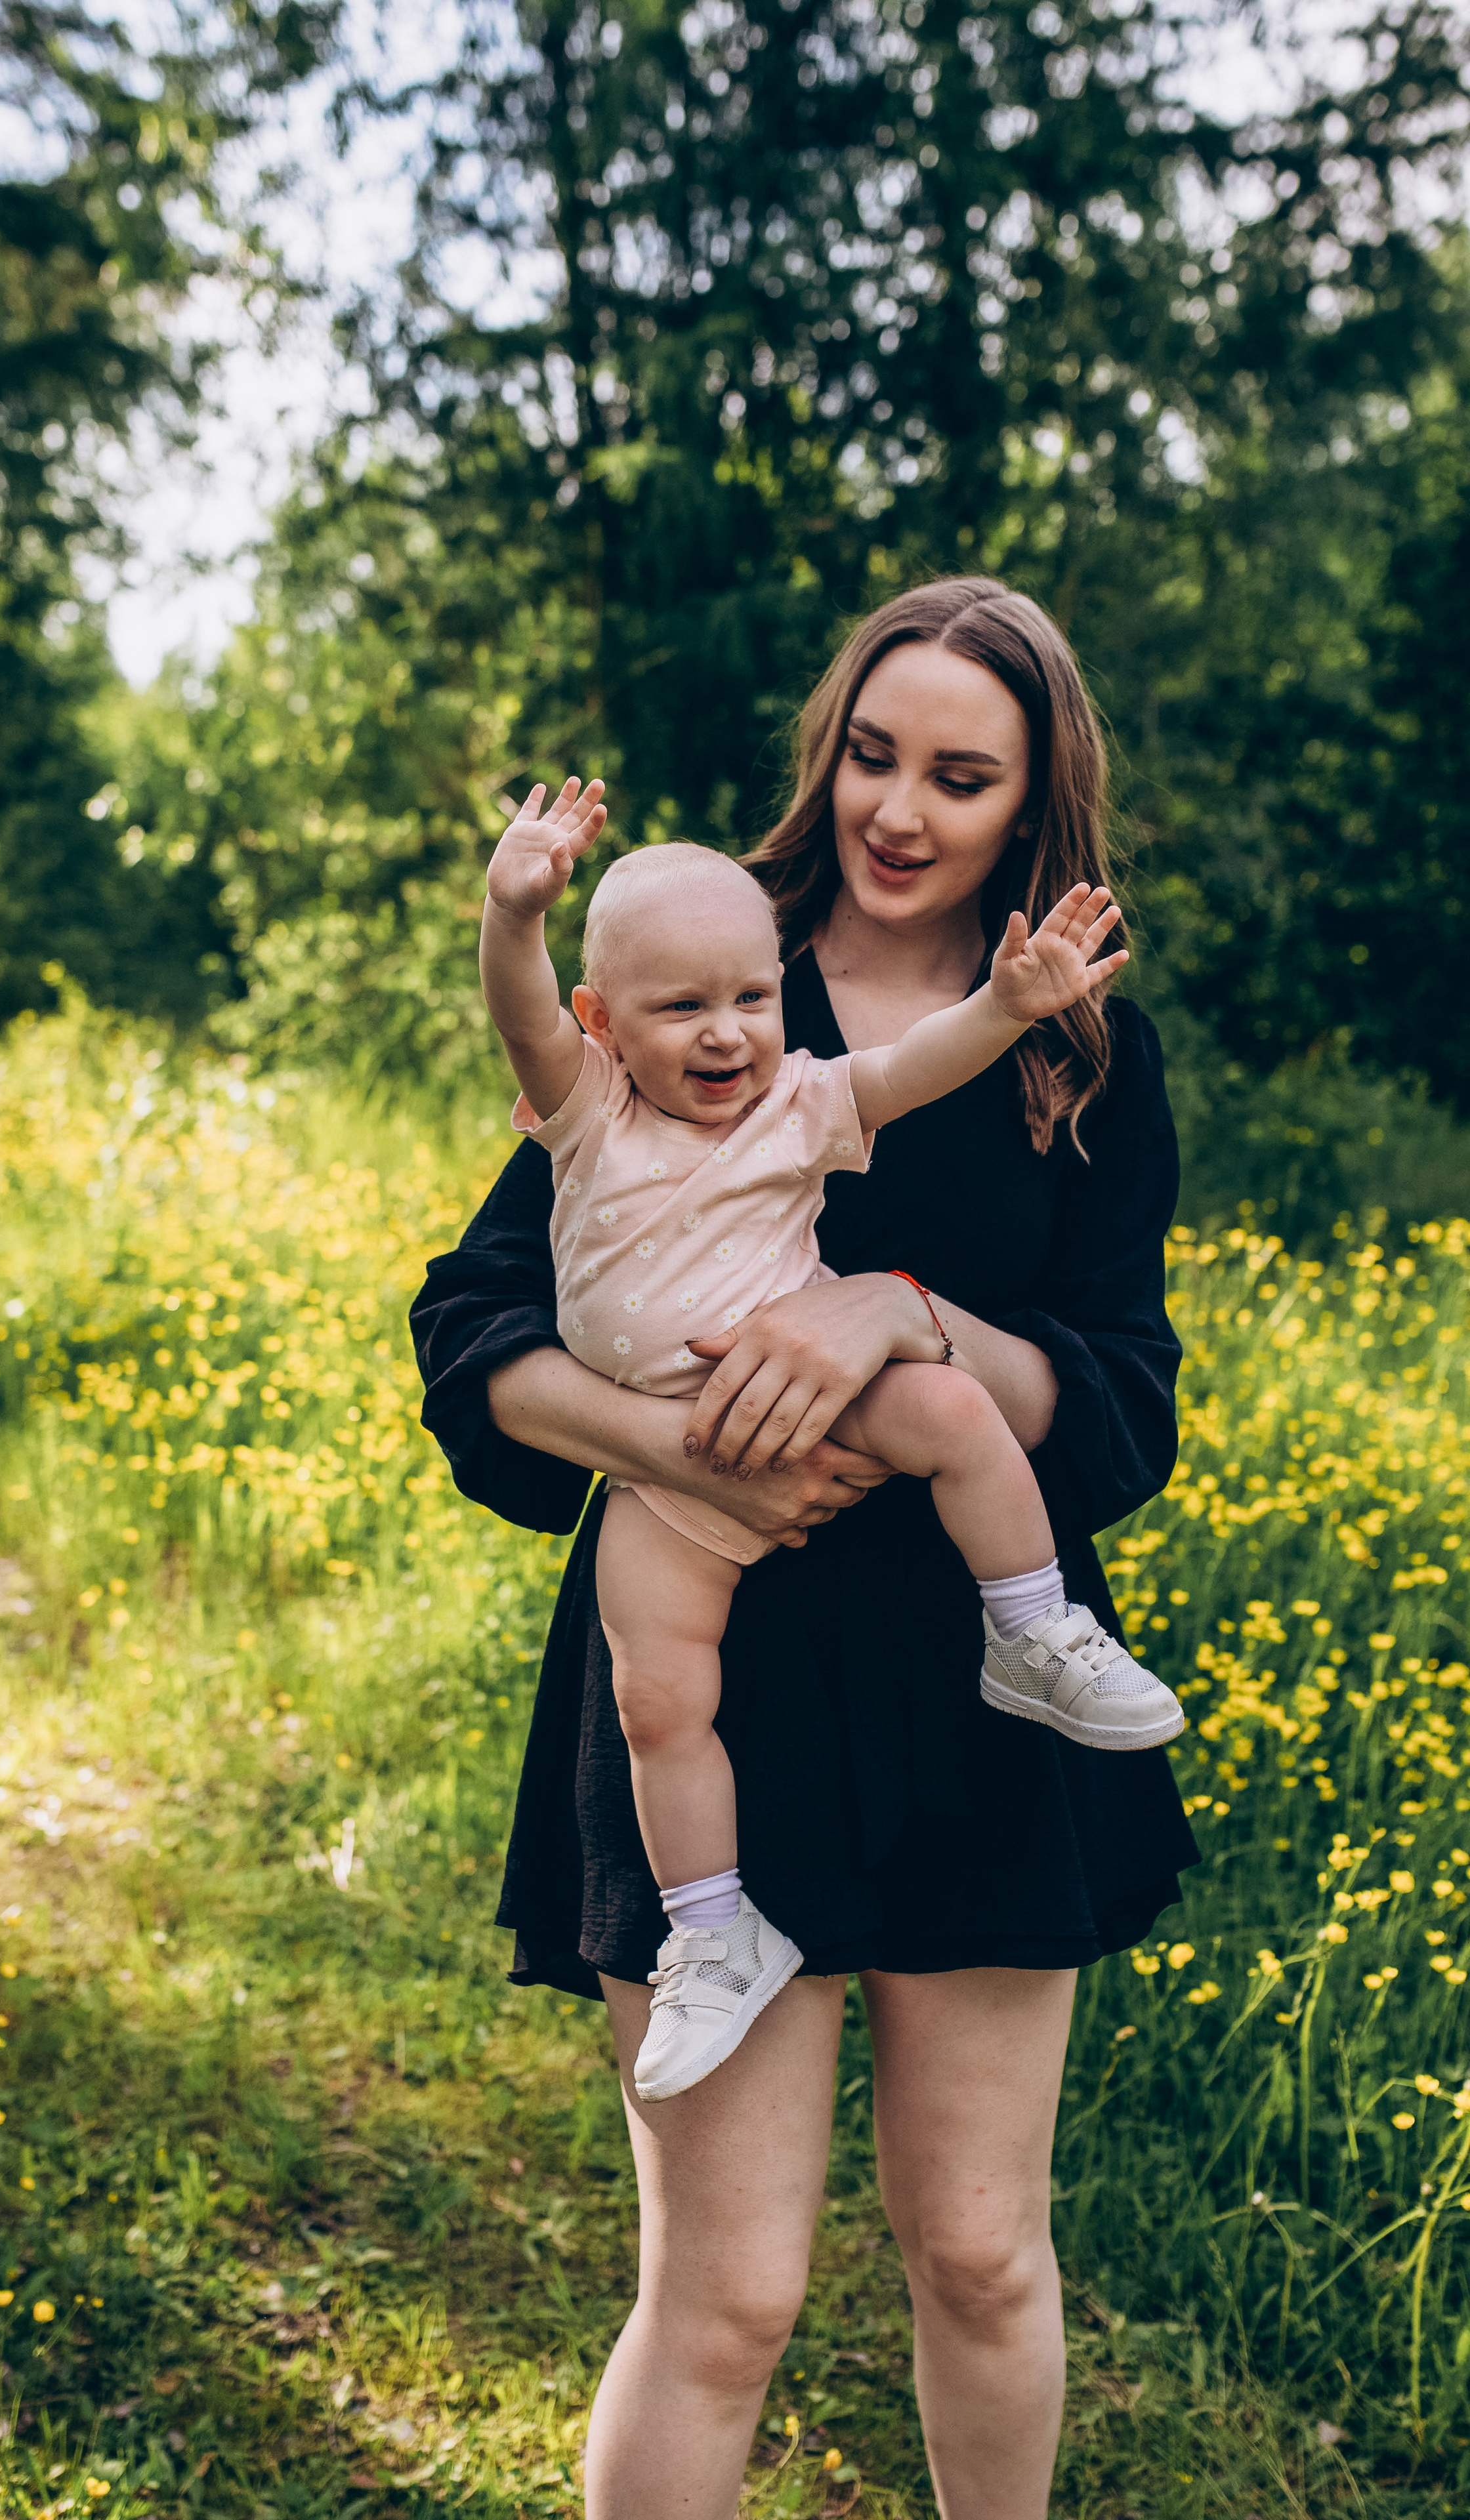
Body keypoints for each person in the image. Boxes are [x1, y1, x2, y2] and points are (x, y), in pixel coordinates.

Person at [412, 577, 1199, 2520]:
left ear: (1035, 804)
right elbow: (478, 1319)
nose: (900, 808)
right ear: (824, 749)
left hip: (983, 1692)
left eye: (960, 774)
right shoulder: (700, 976)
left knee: (983, 2251)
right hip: (713, 1683)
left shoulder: (1079, 1048)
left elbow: (1123, 1401)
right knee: (728, 2295)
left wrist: (899, 1314)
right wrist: (672, 1444)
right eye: (871, 754)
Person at [476, 793, 1185, 2106]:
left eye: (750, 999)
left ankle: (1030, 1629)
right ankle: (711, 1924)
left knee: (948, 1407)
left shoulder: (794, 1105)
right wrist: (513, 908)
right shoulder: (587, 1117)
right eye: (682, 1008)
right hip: (669, 1478)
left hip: (829, 1423)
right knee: (653, 1696)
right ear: (603, 1025)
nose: (726, 1031)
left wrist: (1012, 1005)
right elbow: (518, 1012)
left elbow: (913, 1067)